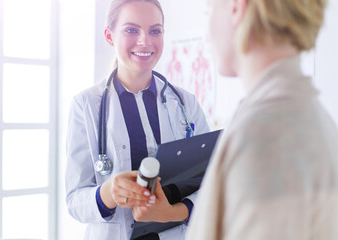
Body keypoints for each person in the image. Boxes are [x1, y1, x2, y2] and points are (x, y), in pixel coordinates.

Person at [187, 0, 338, 239]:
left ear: (237, 7)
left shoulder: (266, 138)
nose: (206, 34)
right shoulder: (309, 117)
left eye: (209, 10)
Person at [65, 0, 209, 240]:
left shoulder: (186, 103)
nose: (145, 41)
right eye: (131, 30)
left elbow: (211, 183)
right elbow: (74, 199)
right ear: (109, 36)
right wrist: (106, 194)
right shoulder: (86, 105)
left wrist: (175, 212)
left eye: (155, 30)